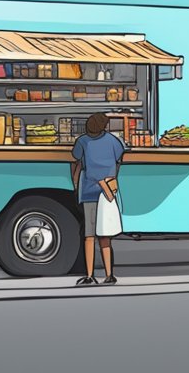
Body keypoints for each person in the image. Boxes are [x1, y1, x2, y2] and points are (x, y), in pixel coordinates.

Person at [72, 112, 124, 286]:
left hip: (89, 191)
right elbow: (119, 158)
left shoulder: (82, 141)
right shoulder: (113, 141)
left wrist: (74, 181)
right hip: (107, 192)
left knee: (89, 236)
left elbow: (76, 158)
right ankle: (109, 274)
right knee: (105, 236)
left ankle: (89, 275)